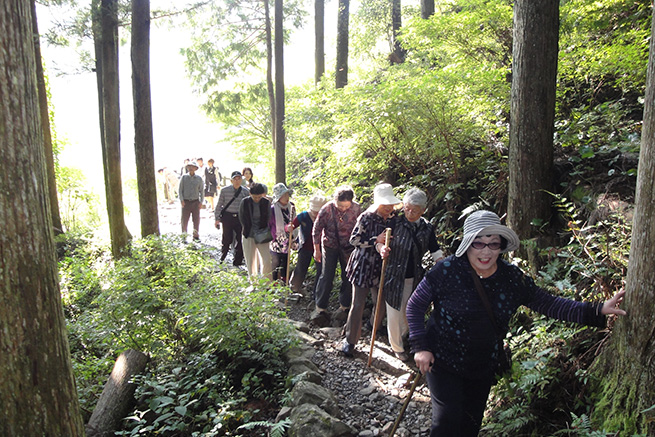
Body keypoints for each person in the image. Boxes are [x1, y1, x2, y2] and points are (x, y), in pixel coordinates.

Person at [406, 209, 627, 436]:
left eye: (493, 244)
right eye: (478, 243)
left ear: (501, 246)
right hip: (443, 361)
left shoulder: (512, 279)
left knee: (470, 424)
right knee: (446, 423)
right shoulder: (445, 271)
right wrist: (420, 347)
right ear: (467, 244)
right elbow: (414, 306)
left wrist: (598, 310)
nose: (486, 251)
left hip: (482, 365)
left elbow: (550, 304)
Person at [377, 188, 443, 361]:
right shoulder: (394, 223)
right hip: (393, 275)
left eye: (414, 210)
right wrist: (381, 249)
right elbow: (379, 241)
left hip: (414, 277)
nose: (409, 212)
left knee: (410, 313)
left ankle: (404, 338)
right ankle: (397, 347)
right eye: (406, 208)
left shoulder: (426, 227)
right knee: (393, 313)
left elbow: (434, 249)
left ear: (423, 210)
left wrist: (443, 264)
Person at [340, 183, 401, 357]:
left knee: (380, 301)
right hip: (363, 265)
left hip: (382, 265)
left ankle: (374, 327)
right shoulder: (366, 217)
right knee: (358, 303)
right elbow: (354, 240)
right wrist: (376, 240)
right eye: (384, 205)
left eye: (390, 205)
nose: (388, 208)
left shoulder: (393, 218)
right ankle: (350, 341)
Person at [312, 186, 362, 322]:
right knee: (327, 275)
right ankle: (321, 307)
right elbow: (316, 230)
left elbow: (361, 227)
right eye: (340, 205)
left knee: (348, 276)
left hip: (349, 247)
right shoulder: (326, 209)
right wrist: (316, 250)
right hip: (330, 246)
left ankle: (344, 306)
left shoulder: (357, 209)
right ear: (334, 200)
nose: (343, 209)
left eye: (346, 206)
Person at [289, 194, 328, 295]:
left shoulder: (326, 217)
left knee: (321, 270)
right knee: (301, 268)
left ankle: (317, 292)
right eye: (315, 211)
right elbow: (292, 225)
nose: (316, 214)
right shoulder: (303, 216)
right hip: (305, 246)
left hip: (321, 247)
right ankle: (294, 288)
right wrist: (289, 228)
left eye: (318, 211)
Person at [215, 171, 250, 266]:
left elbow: (248, 207)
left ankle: (238, 260)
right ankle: (223, 257)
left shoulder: (245, 191)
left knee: (240, 238)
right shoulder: (224, 191)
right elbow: (219, 205)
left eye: (239, 179)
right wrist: (217, 219)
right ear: (231, 180)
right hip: (227, 216)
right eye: (235, 179)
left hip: (239, 217)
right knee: (227, 238)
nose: (237, 181)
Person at [239, 183, 273, 280]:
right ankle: (253, 282)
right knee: (251, 261)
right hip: (248, 234)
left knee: (266, 259)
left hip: (263, 233)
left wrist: (262, 229)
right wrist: (247, 228)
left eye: (259, 197)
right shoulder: (244, 202)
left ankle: (266, 283)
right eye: (254, 197)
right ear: (250, 194)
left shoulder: (266, 203)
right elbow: (241, 218)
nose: (257, 199)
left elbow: (268, 218)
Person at [269, 183, 297, 283]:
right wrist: (285, 228)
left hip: (288, 239)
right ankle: (274, 281)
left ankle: (285, 281)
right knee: (275, 261)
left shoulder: (291, 207)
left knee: (286, 260)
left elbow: (295, 221)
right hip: (276, 239)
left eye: (287, 195)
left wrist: (294, 238)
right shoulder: (273, 209)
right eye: (283, 195)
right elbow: (272, 224)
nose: (286, 197)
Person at [178, 161, 204, 241]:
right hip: (186, 202)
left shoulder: (199, 179)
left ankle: (195, 235)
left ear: (195, 168)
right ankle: (184, 236)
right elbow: (180, 190)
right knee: (184, 220)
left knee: (196, 219)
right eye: (189, 167)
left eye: (192, 167)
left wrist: (201, 202)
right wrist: (181, 200)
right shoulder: (184, 177)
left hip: (195, 202)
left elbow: (202, 191)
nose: (191, 168)